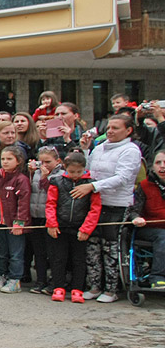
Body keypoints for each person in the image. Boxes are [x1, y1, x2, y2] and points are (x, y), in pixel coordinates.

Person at [77, 113, 143, 303]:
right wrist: (86, 150)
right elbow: (89, 170)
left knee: (111, 248)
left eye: (116, 128)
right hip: (95, 204)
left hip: (117, 204)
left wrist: (94, 187)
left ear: (128, 130)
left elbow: (123, 178)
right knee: (93, 246)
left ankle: (112, 289)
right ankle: (95, 285)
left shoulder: (130, 150)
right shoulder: (99, 148)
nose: (111, 131)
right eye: (109, 128)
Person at [46, 152, 101, 303]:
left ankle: (78, 288)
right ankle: (58, 286)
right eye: (72, 172)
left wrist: (86, 229)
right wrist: (51, 223)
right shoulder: (56, 182)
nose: (75, 175)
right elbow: (51, 204)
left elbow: (94, 209)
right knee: (59, 258)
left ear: (84, 168)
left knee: (79, 259)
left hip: (80, 228)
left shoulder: (91, 183)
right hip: (60, 226)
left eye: (79, 171)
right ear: (65, 168)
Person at [0, 146, 31, 293]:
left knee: (15, 253)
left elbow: (23, 202)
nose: (5, 162)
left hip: (15, 224)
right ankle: (2, 274)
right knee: (1, 252)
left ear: (18, 161)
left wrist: (19, 222)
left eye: (9, 159)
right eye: (3, 159)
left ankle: (15, 279)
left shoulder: (21, 180)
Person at [27, 148, 63, 295]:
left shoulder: (60, 175)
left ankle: (54, 282)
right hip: (36, 215)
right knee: (39, 252)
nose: (45, 165)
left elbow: (54, 192)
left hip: (51, 218)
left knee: (53, 252)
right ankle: (40, 280)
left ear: (57, 161)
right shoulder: (36, 172)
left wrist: (45, 178)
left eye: (48, 162)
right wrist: (31, 173)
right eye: (42, 162)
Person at [128, 150, 165, 289]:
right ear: (152, 166)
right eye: (158, 163)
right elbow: (134, 210)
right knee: (163, 236)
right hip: (149, 229)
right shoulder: (144, 186)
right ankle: (158, 276)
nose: (162, 166)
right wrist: (136, 218)